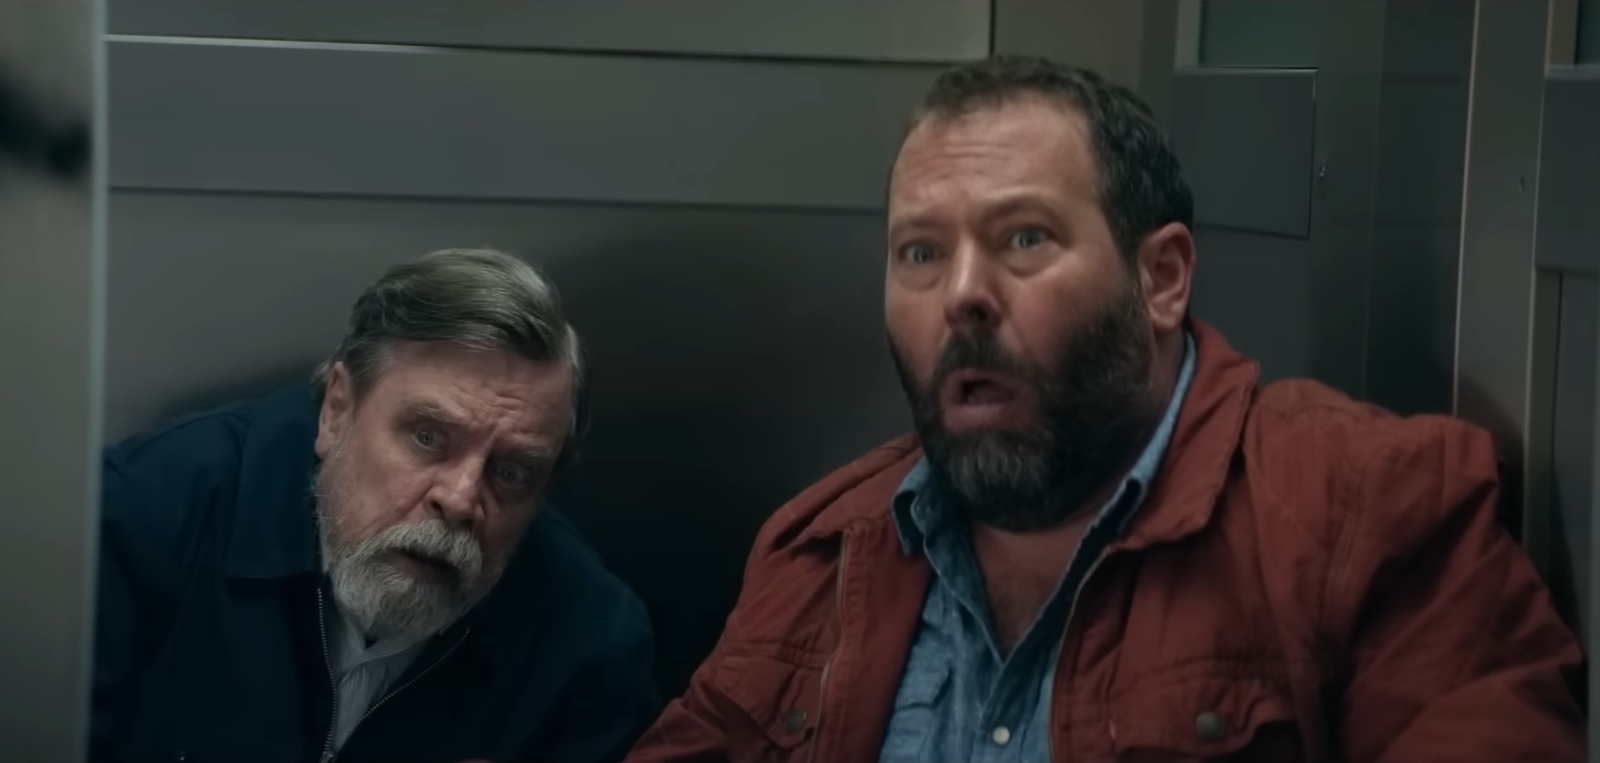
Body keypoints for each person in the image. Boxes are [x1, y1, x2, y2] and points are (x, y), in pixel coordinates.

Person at [625, 57, 1585, 762]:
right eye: (920, 252)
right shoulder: (819, 557)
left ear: (1160, 278)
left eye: (1024, 238)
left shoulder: (1366, 513)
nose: (961, 294)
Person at [92, 248, 658, 763]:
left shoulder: (587, 644)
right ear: (337, 410)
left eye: (511, 472)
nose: (460, 499)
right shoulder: (142, 516)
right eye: (428, 437)